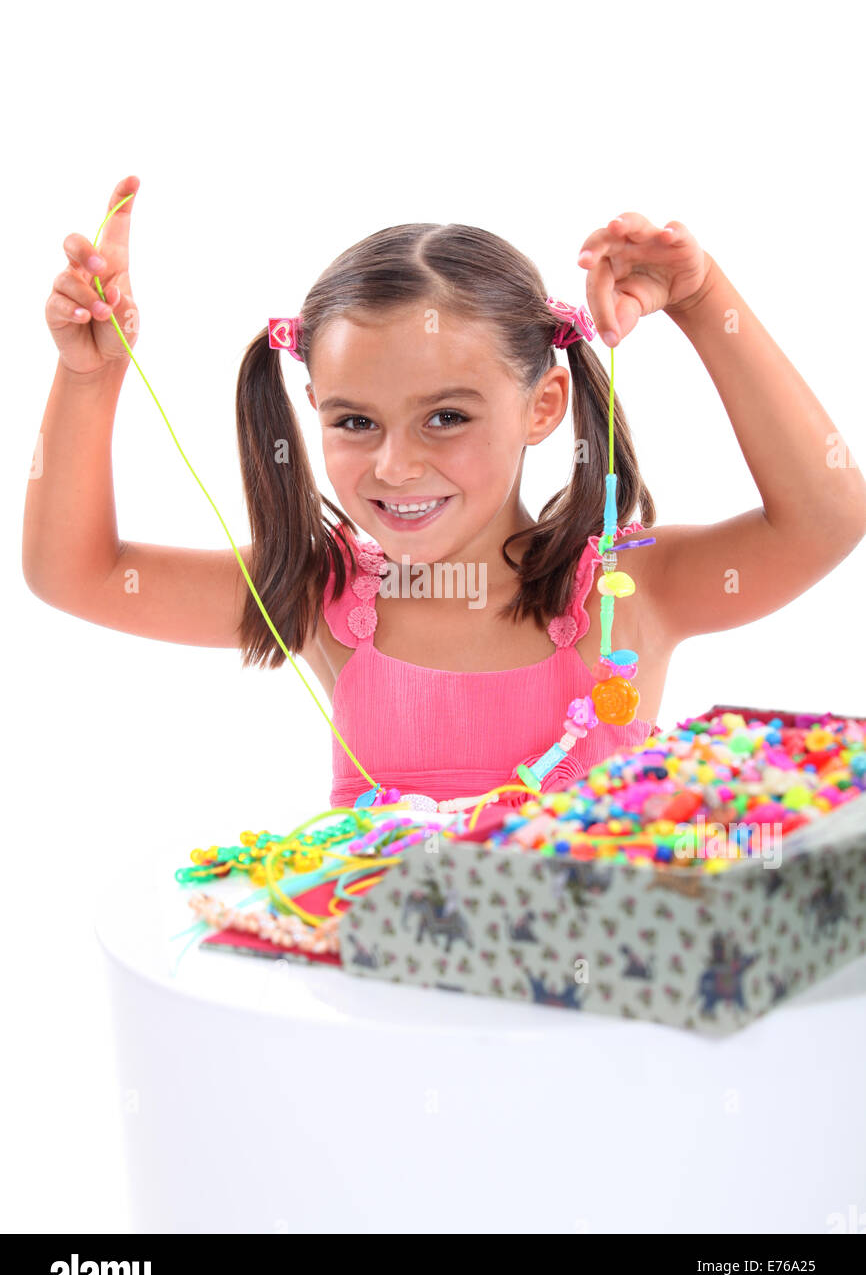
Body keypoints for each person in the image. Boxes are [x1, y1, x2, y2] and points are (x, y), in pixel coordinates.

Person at [24, 177, 866, 811]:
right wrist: (89, 377)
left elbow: (827, 519)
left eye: (446, 417)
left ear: (543, 407)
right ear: (311, 406)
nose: (395, 466)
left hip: (584, 1030)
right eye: (355, 422)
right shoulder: (322, 598)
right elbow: (76, 573)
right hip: (379, 1029)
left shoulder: (629, 594)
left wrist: (702, 299)